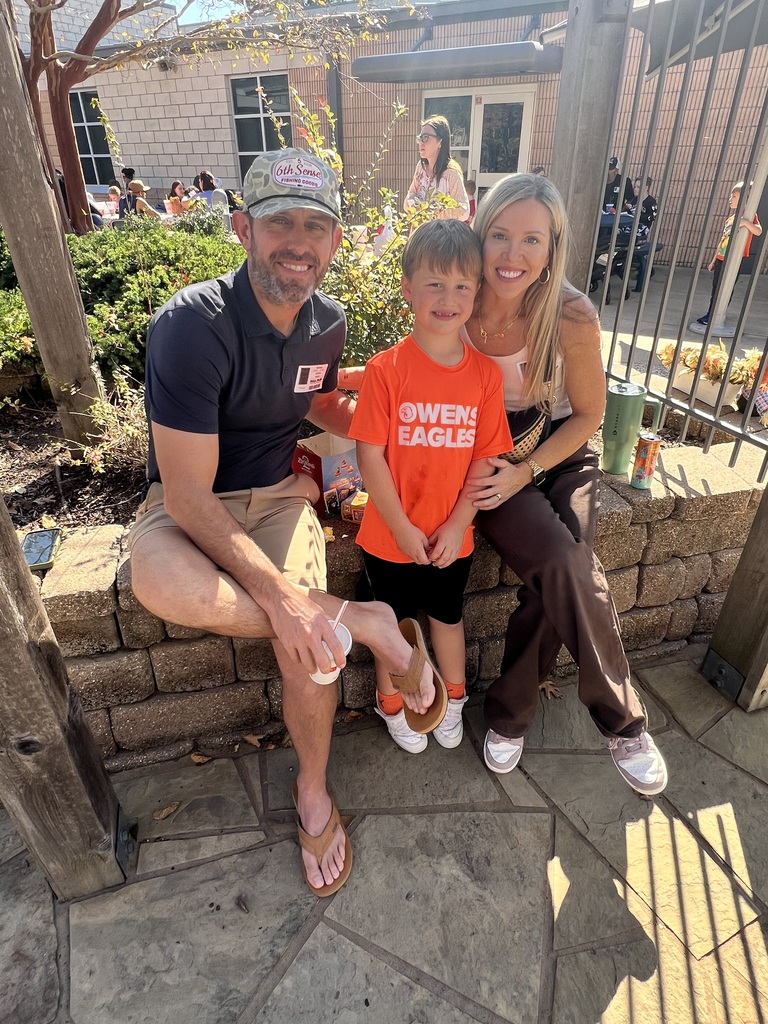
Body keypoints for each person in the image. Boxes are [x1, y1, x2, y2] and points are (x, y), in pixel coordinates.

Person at [127, 148, 437, 897]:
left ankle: (312, 789)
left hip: (277, 497)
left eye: (315, 226)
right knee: (162, 583)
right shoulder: (191, 327)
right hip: (187, 502)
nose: (298, 242)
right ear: (242, 228)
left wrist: (393, 418)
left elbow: (318, 402)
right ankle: (364, 621)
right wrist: (286, 602)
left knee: (311, 655)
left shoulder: (324, 324)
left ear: (333, 241)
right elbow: (189, 495)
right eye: (279, 223)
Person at [461, 172, 668, 797]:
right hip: (492, 460)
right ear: (480, 234)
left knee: (565, 567)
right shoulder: (456, 299)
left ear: (554, 246)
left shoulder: (571, 312)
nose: (513, 254)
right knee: (564, 562)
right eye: (500, 235)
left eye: (532, 239)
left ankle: (514, 715)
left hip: (559, 450)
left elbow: (588, 414)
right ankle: (624, 721)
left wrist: (531, 467)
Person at [349, 220, 512, 754]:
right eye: (434, 284)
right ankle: (392, 702)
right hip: (388, 534)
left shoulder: (485, 376)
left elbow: (487, 457)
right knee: (392, 628)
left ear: (476, 293)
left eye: (462, 285)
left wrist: (458, 522)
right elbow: (369, 454)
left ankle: (455, 697)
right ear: (408, 290)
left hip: (451, 534)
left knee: (446, 617)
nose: (448, 298)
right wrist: (399, 526)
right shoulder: (385, 370)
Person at [695, 180, 762, 326]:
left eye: (734, 197)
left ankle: (717, 313)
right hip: (721, 258)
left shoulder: (749, 216)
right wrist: (713, 260)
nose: (730, 200)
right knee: (716, 286)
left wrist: (745, 223)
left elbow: (758, 230)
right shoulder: (731, 219)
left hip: (734, 260)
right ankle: (711, 312)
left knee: (725, 287)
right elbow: (722, 241)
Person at [404, 116, 469, 221]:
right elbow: (409, 196)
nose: (421, 142)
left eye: (425, 137)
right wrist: (412, 203)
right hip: (419, 234)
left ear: (440, 142)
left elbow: (463, 210)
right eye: (420, 138)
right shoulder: (421, 168)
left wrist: (431, 212)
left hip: (440, 236)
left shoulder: (451, 173)